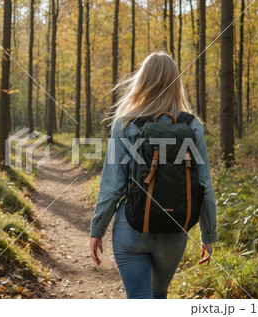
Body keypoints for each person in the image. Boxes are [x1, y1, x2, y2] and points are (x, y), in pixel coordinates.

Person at [89, 51, 217, 299]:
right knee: (159, 297)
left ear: (142, 81)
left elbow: (112, 186)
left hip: (132, 227)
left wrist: (97, 229)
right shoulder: (192, 126)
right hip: (175, 229)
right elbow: (204, 186)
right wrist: (208, 235)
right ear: (176, 81)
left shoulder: (126, 124)